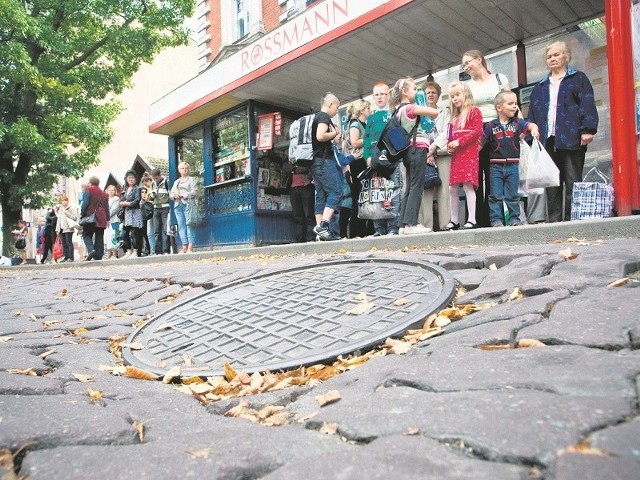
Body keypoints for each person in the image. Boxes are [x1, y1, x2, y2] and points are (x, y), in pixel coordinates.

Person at [527, 41, 599, 223]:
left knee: (573, 180)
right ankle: (555, 222)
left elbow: (587, 104)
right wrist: (530, 135)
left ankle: (572, 220)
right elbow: (532, 113)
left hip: (571, 136)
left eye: (557, 55)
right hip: (547, 140)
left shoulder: (578, 78)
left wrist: (587, 130)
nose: (552, 59)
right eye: (549, 56)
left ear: (566, 56)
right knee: (551, 182)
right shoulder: (540, 86)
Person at [462, 49, 512, 228]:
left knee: (494, 176)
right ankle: (474, 220)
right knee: (474, 177)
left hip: (498, 129)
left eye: (468, 62)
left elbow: (511, 103)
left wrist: (520, 126)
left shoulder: (500, 79)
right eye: (464, 64)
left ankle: (494, 219)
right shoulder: (467, 86)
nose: (466, 67)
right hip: (475, 131)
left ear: (479, 59)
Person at [387, 77, 438, 235]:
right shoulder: (410, 108)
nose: (418, 91)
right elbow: (435, 112)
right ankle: (411, 223)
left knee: (410, 187)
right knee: (416, 186)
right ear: (405, 91)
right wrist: (422, 101)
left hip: (408, 151)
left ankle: (403, 224)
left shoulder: (397, 111)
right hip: (417, 149)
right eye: (415, 88)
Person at [483, 91, 540, 227]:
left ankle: (514, 219)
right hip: (495, 166)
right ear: (499, 107)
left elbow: (531, 125)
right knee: (495, 195)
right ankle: (496, 220)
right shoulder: (491, 125)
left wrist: (534, 130)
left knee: (513, 194)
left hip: (513, 166)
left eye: (516, 104)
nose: (514, 106)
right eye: (510, 104)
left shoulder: (517, 123)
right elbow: (481, 142)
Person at [443, 82, 483, 231]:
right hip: (457, 154)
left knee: (468, 185)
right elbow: (450, 135)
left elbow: (477, 131)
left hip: (469, 153)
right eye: (452, 96)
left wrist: (460, 141)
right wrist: (450, 146)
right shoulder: (455, 117)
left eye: (457, 95)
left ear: (465, 94)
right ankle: (454, 219)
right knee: (452, 187)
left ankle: (472, 218)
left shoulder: (474, 111)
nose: (455, 98)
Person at [363, 82, 401, 236]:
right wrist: (367, 158)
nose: (379, 97)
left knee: (393, 192)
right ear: (373, 97)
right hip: (375, 160)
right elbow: (366, 139)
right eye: (376, 94)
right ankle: (378, 228)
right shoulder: (371, 117)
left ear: (388, 95)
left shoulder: (394, 113)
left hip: (391, 159)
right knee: (376, 193)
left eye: (382, 94)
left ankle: (393, 226)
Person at [420, 81, 452, 231]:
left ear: (438, 95)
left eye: (433, 92)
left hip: (442, 152)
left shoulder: (445, 112)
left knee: (444, 189)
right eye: (428, 93)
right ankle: (426, 226)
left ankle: (446, 224)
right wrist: (427, 151)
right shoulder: (419, 113)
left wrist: (433, 147)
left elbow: (447, 131)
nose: (431, 95)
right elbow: (419, 133)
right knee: (425, 189)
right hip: (424, 155)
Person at [311, 92, 342, 241]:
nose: (337, 110)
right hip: (324, 161)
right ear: (329, 105)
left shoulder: (315, 117)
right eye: (336, 107)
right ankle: (323, 226)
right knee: (336, 192)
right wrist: (334, 132)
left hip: (315, 162)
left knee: (321, 196)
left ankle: (320, 235)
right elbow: (320, 135)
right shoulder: (323, 116)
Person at [344, 99, 373, 238]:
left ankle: (364, 228)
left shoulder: (365, 124)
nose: (370, 111)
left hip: (363, 161)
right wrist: (370, 137)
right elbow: (355, 142)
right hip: (357, 162)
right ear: (362, 110)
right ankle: (356, 230)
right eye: (368, 109)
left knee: (366, 196)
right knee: (358, 197)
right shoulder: (355, 124)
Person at [283, 161, 315, 243]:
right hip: (293, 188)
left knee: (309, 214)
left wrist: (294, 168)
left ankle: (310, 237)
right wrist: (296, 169)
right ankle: (299, 239)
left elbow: (306, 168)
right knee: (297, 216)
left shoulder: (306, 156)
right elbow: (286, 167)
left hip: (306, 186)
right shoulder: (292, 157)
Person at [170, 162, 198, 252]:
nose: (184, 169)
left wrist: (183, 195)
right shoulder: (176, 182)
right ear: (179, 170)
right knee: (181, 226)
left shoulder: (192, 179)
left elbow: (194, 192)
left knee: (189, 224)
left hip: (188, 204)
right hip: (178, 205)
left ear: (188, 169)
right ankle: (184, 245)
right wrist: (174, 196)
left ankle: (191, 245)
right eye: (182, 168)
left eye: (186, 168)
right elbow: (171, 194)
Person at [80, 176, 109, 261]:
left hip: (90, 216)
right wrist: (108, 218)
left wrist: (82, 215)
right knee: (99, 237)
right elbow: (106, 207)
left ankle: (91, 250)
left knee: (86, 235)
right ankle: (98, 256)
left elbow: (84, 204)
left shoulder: (88, 191)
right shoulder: (104, 193)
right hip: (102, 217)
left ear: (90, 183)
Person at [120, 170, 144, 258]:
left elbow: (136, 201)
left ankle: (136, 251)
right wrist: (123, 203)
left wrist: (126, 203)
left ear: (135, 179)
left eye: (132, 178)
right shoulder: (124, 189)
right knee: (124, 234)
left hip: (135, 213)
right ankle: (128, 251)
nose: (131, 179)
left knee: (135, 233)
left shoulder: (137, 189)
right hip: (127, 213)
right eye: (129, 178)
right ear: (126, 179)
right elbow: (121, 200)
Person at [150, 169, 171, 254]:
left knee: (165, 230)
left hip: (165, 207)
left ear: (160, 175)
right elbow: (150, 197)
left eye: (156, 178)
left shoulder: (166, 182)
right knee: (157, 231)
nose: (155, 180)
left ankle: (166, 250)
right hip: (156, 208)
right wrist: (152, 195)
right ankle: (158, 251)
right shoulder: (153, 184)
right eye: (154, 178)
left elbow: (170, 194)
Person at [54, 195, 78, 262]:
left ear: (68, 201)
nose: (64, 202)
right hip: (61, 228)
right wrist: (57, 229)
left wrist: (66, 212)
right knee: (63, 243)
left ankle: (70, 257)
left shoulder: (71, 208)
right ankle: (66, 256)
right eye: (62, 201)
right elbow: (59, 219)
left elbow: (75, 217)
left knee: (69, 243)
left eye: (65, 200)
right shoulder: (61, 209)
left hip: (68, 227)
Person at [104, 185, 121, 259]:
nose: (111, 192)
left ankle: (114, 253)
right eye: (109, 190)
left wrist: (106, 216)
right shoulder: (105, 199)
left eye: (112, 190)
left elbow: (114, 210)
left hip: (115, 221)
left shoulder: (116, 199)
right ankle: (109, 253)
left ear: (115, 191)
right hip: (107, 222)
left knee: (114, 236)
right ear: (107, 191)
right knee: (107, 237)